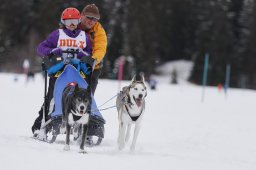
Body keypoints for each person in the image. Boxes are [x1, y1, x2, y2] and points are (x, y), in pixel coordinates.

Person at [31, 7, 92, 135]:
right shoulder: (57, 34)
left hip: (77, 73)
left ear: (79, 20)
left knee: (80, 98)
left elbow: (89, 53)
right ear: (63, 22)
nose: (72, 24)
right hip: (59, 72)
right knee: (51, 98)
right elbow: (41, 48)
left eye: (75, 20)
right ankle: (40, 125)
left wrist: (82, 55)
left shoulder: (84, 36)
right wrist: (52, 51)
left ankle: (81, 128)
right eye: (68, 21)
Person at [79, 4, 107, 95]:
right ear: (82, 15)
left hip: (92, 67)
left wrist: (93, 59)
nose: (91, 21)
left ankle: (88, 107)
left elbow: (100, 48)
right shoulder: (73, 24)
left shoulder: (99, 30)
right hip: (73, 63)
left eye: (95, 19)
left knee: (87, 96)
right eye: (89, 17)